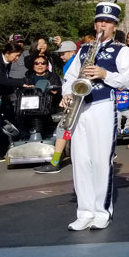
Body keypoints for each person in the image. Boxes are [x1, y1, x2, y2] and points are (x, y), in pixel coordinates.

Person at [61, 0, 129, 230]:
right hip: (81, 107)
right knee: (80, 160)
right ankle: (84, 211)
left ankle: (101, 211)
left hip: (104, 106)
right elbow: (70, 77)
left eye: (107, 22)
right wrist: (67, 92)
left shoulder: (121, 51)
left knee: (101, 160)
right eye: (99, 21)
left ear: (115, 26)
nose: (102, 25)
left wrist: (105, 74)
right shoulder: (83, 50)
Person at [33, 40, 78, 174]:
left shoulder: (74, 64)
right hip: (73, 101)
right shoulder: (70, 64)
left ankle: (55, 162)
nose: (61, 56)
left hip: (75, 102)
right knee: (64, 131)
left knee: (63, 130)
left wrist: (69, 97)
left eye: (63, 53)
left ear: (72, 52)